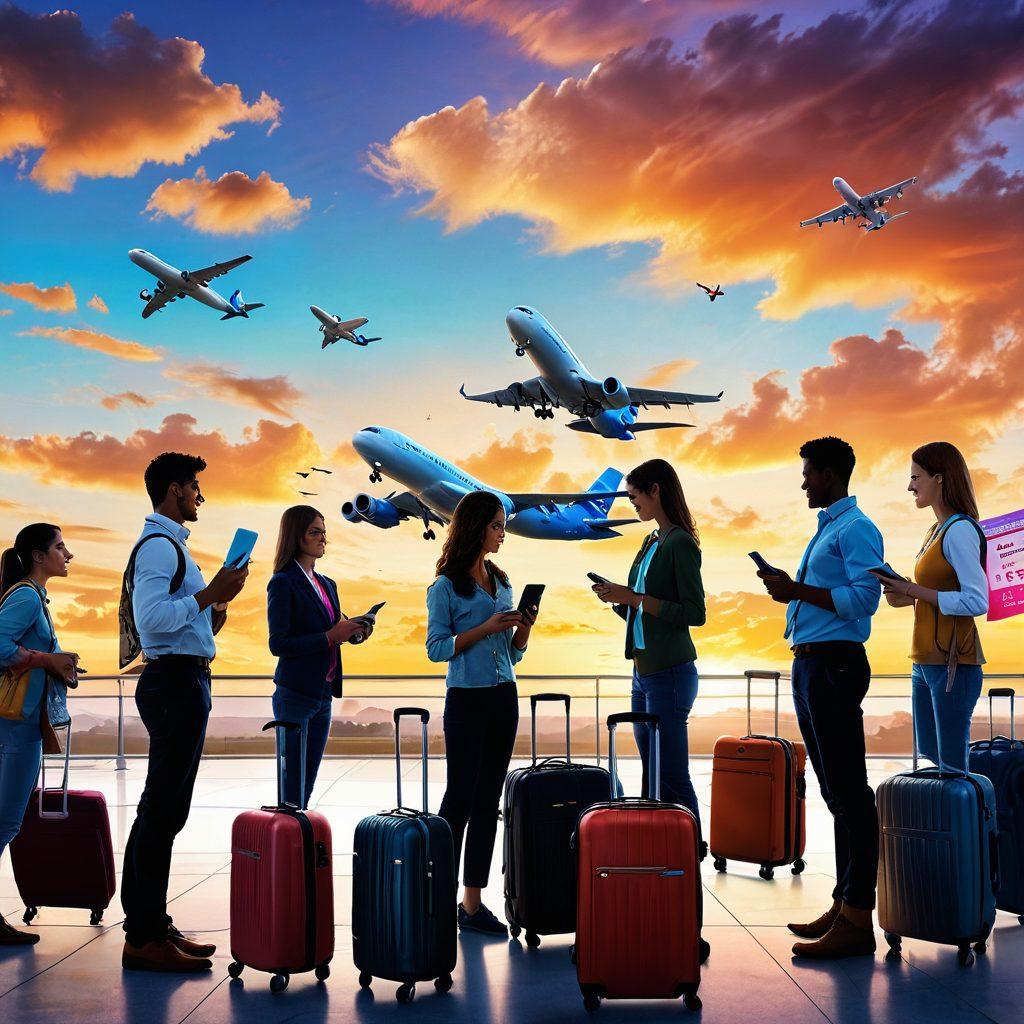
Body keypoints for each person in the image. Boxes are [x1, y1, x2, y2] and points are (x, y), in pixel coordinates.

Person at [120, 452, 248, 972]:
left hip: (185, 678)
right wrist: (209, 595)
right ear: (174, 491)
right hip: (173, 682)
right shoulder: (158, 548)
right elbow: (151, 621)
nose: (200, 496)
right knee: (160, 809)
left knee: (168, 809)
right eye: (195, 487)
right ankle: (142, 934)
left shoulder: (173, 549)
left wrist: (218, 605)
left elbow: (190, 626)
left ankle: (153, 922)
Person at [757, 436, 883, 960]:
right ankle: (844, 903)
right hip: (811, 663)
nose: (804, 481)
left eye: (809, 473)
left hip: (834, 665)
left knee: (851, 793)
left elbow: (864, 601)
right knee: (835, 793)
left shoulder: (858, 530)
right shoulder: (830, 528)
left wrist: (795, 591)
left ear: (830, 475)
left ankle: (858, 917)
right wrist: (791, 593)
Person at [425, 491, 537, 936]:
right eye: (496, 525)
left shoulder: (503, 580)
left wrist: (522, 633)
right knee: (459, 799)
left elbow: (514, 655)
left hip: (504, 696)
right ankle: (436, 897)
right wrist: (484, 628)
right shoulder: (445, 587)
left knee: (488, 801)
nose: (502, 532)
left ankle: (471, 904)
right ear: (474, 527)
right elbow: (436, 649)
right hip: (467, 699)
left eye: (503, 525)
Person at [590, 459, 706, 835]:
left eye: (634, 496)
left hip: (670, 673)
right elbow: (643, 614)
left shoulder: (681, 544)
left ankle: (690, 853)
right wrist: (619, 601)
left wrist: (635, 598)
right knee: (652, 771)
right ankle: (656, 849)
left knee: (670, 773)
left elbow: (694, 612)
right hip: (643, 673)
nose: (632, 503)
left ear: (655, 490)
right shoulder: (650, 542)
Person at [878, 442, 988, 771]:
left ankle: (972, 822)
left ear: (939, 478)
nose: (910, 486)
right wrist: (902, 592)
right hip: (924, 661)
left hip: (953, 663)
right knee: (930, 748)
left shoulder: (960, 531)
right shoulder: (934, 531)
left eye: (916, 477)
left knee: (952, 766)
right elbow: (931, 593)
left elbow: (976, 600)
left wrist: (913, 589)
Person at [0, 525, 80, 946]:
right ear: (37, 555)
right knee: (6, 820)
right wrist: (45, 658)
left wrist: (55, 662)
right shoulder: (28, 596)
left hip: (17, 722)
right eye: (60, 547)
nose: (68, 554)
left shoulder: (31, 597)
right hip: (17, 725)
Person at [267, 505, 369, 807]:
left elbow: (336, 629)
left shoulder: (327, 585)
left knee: (306, 786)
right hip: (295, 695)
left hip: (323, 694)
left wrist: (356, 632)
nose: (323, 538)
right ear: (296, 537)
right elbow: (279, 644)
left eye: (324, 531)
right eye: (315, 532)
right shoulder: (283, 582)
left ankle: (299, 845)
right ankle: (286, 847)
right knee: (292, 788)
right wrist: (329, 637)